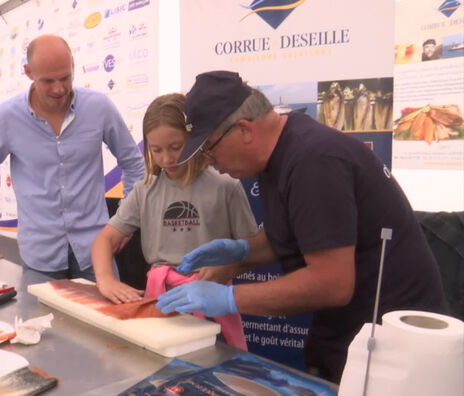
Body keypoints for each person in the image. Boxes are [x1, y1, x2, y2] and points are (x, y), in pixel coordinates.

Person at [155, 71, 449, 382]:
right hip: (346, 331)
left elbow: (331, 283)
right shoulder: (278, 154)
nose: (212, 163)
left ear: (243, 130)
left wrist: (228, 299)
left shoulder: (314, 160)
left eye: (210, 150)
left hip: (393, 347)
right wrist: (239, 255)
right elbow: (301, 234)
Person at [0, 34, 145, 281]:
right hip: (41, 255)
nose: (59, 89)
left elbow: (133, 162)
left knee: (101, 320)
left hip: (96, 252)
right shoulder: (7, 117)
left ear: (73, 64)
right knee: (40, 321)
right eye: (48, 81)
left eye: (65, 77)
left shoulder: (99, 107)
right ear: (28, 72)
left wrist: (127, 220)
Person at [91, 93, 258, 349]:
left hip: (210, 299)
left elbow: (254, 250)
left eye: (175, 147)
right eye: (156, 150)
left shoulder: (226, 186)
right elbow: (106, 238)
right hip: (161, 300)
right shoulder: (145, 189)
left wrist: (227, 269)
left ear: (194, 139)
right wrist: (105, 278)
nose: (166, 159)